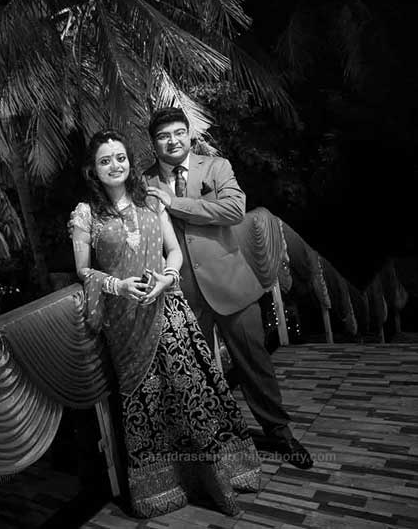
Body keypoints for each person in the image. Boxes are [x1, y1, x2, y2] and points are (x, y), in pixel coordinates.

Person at [68, 129, 261, 518]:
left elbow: (173, 252)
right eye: (105, 160)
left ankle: (217, 476)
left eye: (120, 157)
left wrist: (166, 279)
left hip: (168, 310)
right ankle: (163, 486)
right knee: (149, 403)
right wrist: (118, 285)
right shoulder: (85, 214)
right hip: (125, 322)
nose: (115, 165)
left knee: (190, 391)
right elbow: (83, 270)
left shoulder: (152, 201)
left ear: (129, 161)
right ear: (93, 169)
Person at [142, 107, 313, 470]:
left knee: (255, 363)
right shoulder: (145, 181)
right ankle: (214, 439)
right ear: (153, 143)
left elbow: (235, 209)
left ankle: (280, 432)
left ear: (188, 134)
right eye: (163, 136)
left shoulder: (215, 167)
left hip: (231, 284)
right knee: (197, 372)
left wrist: (176, 204)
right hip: (183, 293)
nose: (172, 141)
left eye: (178, 132)